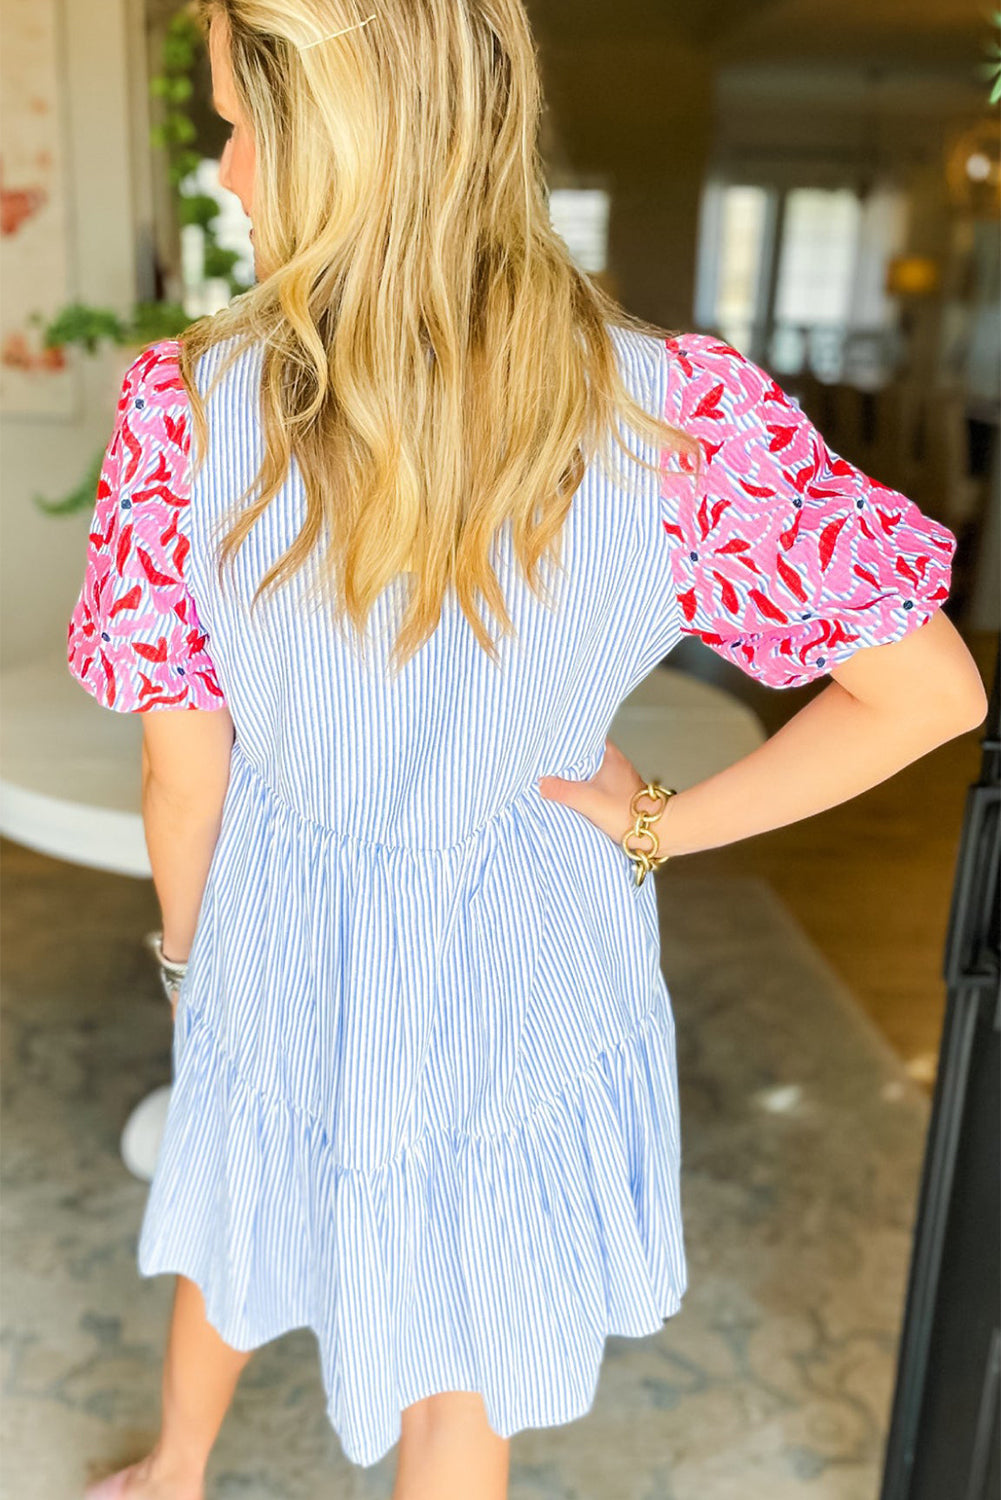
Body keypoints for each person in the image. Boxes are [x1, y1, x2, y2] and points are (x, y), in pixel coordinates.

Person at [69, 2, 987, 1497]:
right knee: (464, 1329)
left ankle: (171, 1471)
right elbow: (930, 692)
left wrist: (195, 968)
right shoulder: (679, 417)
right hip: (526, 946)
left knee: (241, 1190)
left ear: (338, 142)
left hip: (281, 921)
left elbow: (186, 772)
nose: (230, 173)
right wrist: (657, 829)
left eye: (240, 129)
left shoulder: (183, 410)